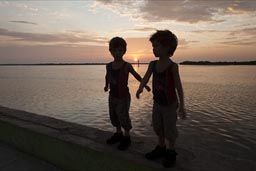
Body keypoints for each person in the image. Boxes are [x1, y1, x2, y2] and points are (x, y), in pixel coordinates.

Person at [136, 30, 186, 167]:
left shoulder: (173, 66)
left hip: (170, 104)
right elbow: (146, 77)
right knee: (158, 125)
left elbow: (178, 87)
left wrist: (182, 105)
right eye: (153, 46)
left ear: (167, 48)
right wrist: (141, 87)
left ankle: (171, 151)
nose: (153, 49)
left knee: (170, 128)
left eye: (156, 46)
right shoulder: (152, 64)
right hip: (157, 103)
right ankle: (161, 147)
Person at [104, 37, 150, 151]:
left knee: (123, 115)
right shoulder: (109, 66)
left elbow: (136, 75)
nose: (117, 53)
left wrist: (144, 85)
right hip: (112, 96)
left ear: (124, 51)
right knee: (114, 115)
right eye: (114, 50)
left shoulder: (126, 66)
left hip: (123, 96)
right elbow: (107, 76)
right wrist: (106, 85)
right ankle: (118, 133)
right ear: (110, 51)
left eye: (120, 50)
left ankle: (127, 137)